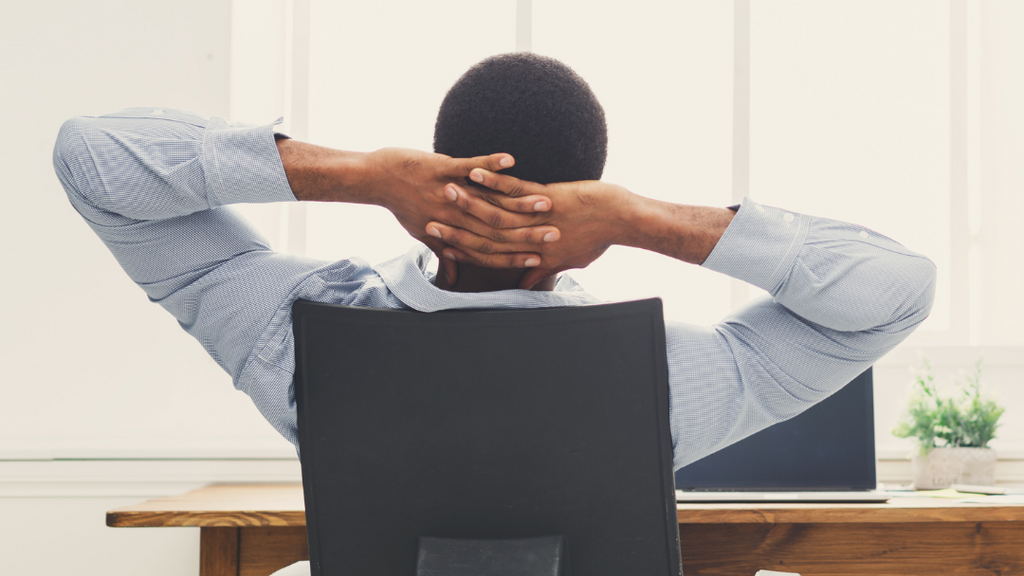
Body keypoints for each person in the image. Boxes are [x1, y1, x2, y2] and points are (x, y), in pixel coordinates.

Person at [52, 53, 936, 474]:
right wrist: (638, 218)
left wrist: (364, 175)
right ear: (582, 207)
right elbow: (897, 294)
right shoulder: (667, 380)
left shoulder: (292, 336)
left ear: (433, 189)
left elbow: (93, 158)